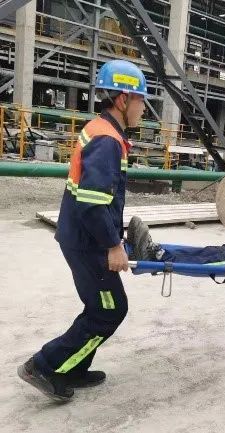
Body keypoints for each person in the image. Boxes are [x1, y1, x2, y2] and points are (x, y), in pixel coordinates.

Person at [17, 60, 148, 402]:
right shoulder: (107, 140)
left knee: (99, 307)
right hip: (89, 242)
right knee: (109, 310)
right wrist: (113, 245)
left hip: (81, 237)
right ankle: (44, 366)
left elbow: (97, 198)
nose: (144, 108)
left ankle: (72, 369)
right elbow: (92, 203)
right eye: (141, 100)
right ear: (123, 99)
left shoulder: (101, 129)